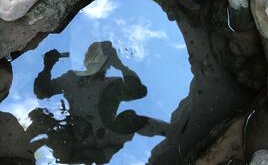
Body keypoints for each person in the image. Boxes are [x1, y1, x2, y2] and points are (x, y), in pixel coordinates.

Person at [28, 41, 169, 164]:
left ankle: (172, 132)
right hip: (74, 143)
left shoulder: (114, 84)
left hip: (105, 143)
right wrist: (48, 66)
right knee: (39, 118)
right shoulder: (71, 79)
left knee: (131, 118)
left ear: (107, 62)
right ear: (85, 59)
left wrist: (119, 64)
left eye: (99, 55)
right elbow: (42, 92)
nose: (94, 59)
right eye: (91, 54)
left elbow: (139, 91)